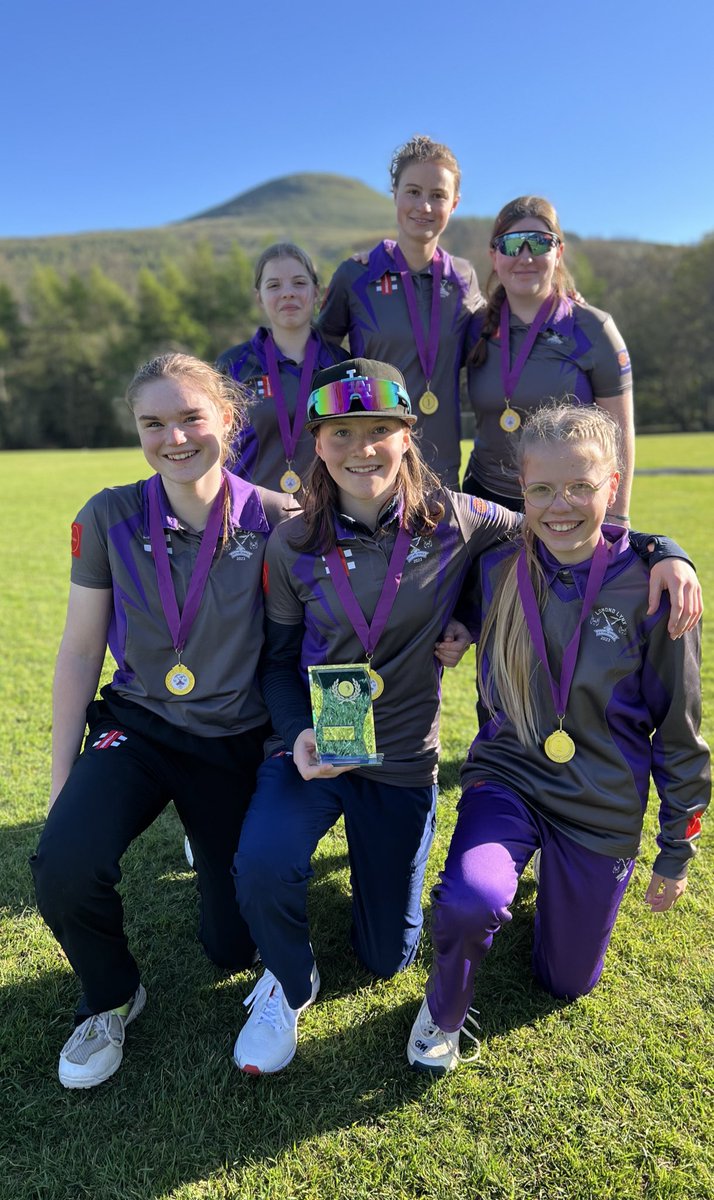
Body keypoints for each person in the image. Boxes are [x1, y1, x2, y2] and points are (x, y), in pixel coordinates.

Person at [230, 361, 700, 1076]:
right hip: (317, 746)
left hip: (405, 763)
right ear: (317, 443)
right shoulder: (293, 542)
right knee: (261, 864)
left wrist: (663, 549)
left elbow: (563, 527)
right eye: (342, 433)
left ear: (407, 436)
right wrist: (296, 729)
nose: (363, 448)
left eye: (380, 430)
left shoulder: (459, 517)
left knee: (393, 958)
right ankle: (289, 980)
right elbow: (276, 662)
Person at [407, 404, 709, 1074]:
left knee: (566, 982)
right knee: (468, 901)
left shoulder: (653, 588)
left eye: (580, 486)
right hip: (509, 777)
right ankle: (444, 1008)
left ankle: (557, 882)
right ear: (522, 491)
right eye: (542, 489)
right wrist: (460, 629)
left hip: (599, 804)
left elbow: (682, 731)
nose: (561, 504)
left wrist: (676, 851)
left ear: (613, 483)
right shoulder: (493, 567)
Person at [31, 353, 288, 1089]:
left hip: (235, 741)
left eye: (190, 418)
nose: (174, 438)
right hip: (140, 727)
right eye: (154, 423)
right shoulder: (107, 514)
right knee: (62, 864)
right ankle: (111, 996)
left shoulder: (277, 518)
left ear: (227, 421)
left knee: (230, 948)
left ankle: (211, 855)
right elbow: (81, 648)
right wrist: (61, 783)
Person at [317, 136, 481, 488]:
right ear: (394, 193)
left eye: (437, 195)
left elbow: (492, 338)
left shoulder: (464, 278)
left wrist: (559, 294)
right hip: (371, 464)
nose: (424, 206)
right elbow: (317, 352)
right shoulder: (356, 275)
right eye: (413, 191)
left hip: (442, 466)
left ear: (454, 203)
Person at [462, 197, 635, 523]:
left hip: (565, 505)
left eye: (540, 243)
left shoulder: (593, 328)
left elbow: (621, 433)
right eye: (512, 244)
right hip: (484, 505)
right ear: (494, 256)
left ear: (559, 252)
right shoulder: (473, 327)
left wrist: (617, 519)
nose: (525, 256)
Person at [218, 242, 348, 497]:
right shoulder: (233, 365)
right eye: (274, 285)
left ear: (316, 291)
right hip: (250, 519)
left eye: (299, 283)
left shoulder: (341, 365)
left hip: (327, 518)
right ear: (260, 297)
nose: (288, 293)